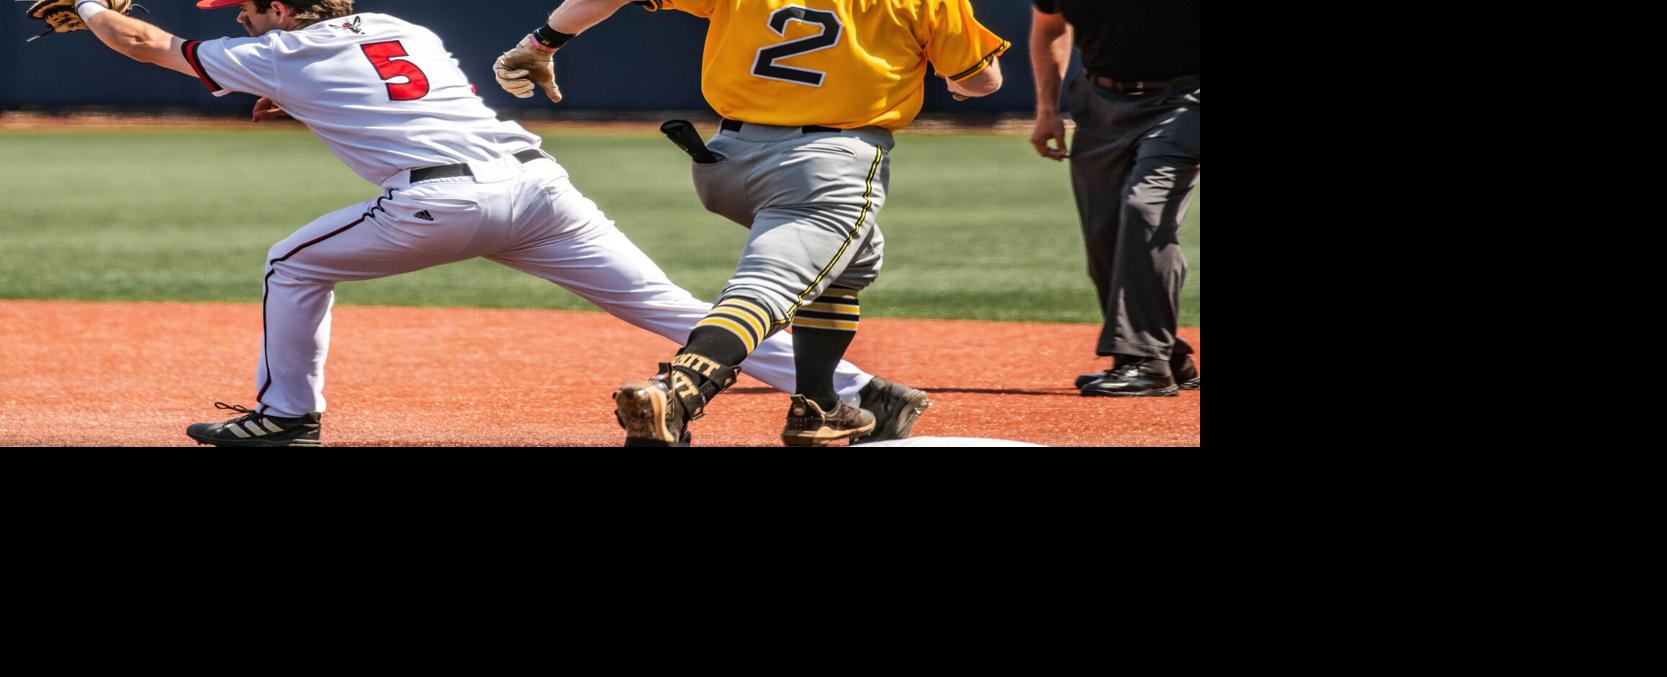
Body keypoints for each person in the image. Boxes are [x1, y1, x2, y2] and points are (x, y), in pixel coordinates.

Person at [55, 0, 922, 446]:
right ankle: (858, 390)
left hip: (442, 200)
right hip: (539, 187)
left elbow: (144, 44)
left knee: (292, 263)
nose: (239, 18)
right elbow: (380, 90)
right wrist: (299, 97)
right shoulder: (403, 27)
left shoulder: (275, 50)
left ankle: (286, 416)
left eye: (247, 7)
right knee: (661, 302)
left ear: (283, 9)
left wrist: (91, 10)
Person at [495, 0, 1008, 446]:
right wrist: (953, 78)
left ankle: (820, 406)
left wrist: (541, 44)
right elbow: (979, 81)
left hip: (725, 161)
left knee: (853, 258)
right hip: (825, 167)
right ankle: (678, 392)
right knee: (764, 290)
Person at [1029, 0, 1200, 397]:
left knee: (1144, 207)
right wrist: (1046, 109)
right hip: (1099, 101)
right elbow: (1050, 26)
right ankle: (1164, 355)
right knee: (1103, 230)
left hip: (1184, 100)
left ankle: (1146, 362)